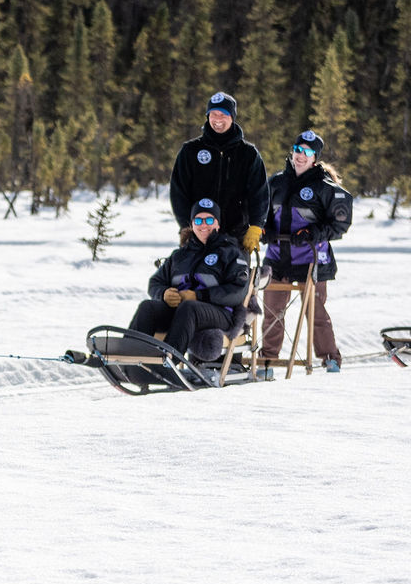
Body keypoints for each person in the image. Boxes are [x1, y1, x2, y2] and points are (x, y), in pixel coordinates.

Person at [257, 129, 354, 377]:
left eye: (307, 153)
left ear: (315, 158)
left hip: (310, 259)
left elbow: (339, 224)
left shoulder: (325, 187)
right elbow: (261, 213)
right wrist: (264, 230)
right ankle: (268, 361)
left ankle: (330, 358)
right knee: (272, 312)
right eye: (298, 150)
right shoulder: (276, 183)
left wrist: (313, 233)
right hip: (277, 258)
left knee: (315, 312)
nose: (301, 156)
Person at [129, 198, 253, 361]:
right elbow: (155, 282)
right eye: (198, 220)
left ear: (218, 224)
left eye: (209, 220)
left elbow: (237, 291)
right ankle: (129, 356)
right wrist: (164, 293)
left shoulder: (231, 253)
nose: (204, 225)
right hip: (182, 313)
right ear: (192, 224)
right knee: (147, 307)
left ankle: (169, 360)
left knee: (189, 307)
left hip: (221, 314)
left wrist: (199, 296)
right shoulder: (180, 255)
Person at [169, 91, 270, 253]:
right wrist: (186, 226)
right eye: (213, 114)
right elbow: (179, 193)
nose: (218, 119)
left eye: (223, 114)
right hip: (200, 234)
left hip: (237, 236)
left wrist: (256, 225)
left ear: (232, 117)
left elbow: (259, 194)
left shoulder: (248, 154)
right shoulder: (190, 151)